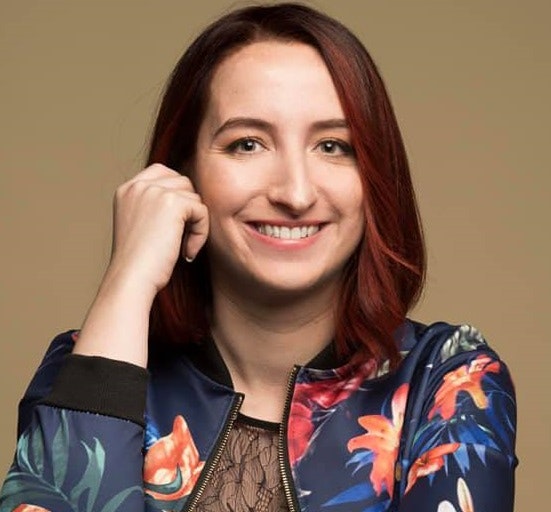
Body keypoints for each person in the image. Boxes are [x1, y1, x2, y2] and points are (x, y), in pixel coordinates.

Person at [0, 3, 517, 512]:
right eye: (247, 144)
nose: (295, 193)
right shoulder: (89, 362)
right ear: (182, 173)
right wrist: (129, 278)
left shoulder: (449, 382)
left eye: (333, 146)